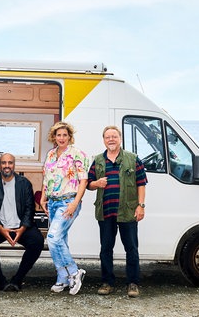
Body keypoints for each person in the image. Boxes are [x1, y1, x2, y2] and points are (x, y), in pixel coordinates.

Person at [87, 125, 147, 298]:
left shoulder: (133, 159)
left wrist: (140, 206)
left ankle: (133, 283)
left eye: (114, 136)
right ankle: (107, 282)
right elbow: (88, 184)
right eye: (108, 137)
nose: (111, 139)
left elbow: (141, 183)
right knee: (106, 249)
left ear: (120, 138)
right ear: (104, 140)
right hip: (105, 212)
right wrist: (96, 184)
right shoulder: (98, 160)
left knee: (132, 249)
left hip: (128, 211)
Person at [39, 122, 89, 295]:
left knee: (52, 238)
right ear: (54, 137)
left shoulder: (77, 154)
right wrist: (43, 198)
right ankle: (63, 277)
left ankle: (74, 272)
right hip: (52, 202)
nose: (61, 138)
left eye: (64, 135)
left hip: (68, 202)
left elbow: (84, 180)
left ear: (69, 137)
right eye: (58, 135)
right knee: (60, 240)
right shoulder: (51, 154)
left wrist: (75, 202)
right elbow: (47, 179)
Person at [0, 153, 45, 291]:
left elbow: (30, 209)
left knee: (37, 241)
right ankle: (0, 280)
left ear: (14, 165)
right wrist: (1, 229)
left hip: (20, 226)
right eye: (4, 163)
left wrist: (22, 228)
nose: (7, 166)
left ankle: (18, 279)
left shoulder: (24, 183)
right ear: (0, 165)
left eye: (10, 163)